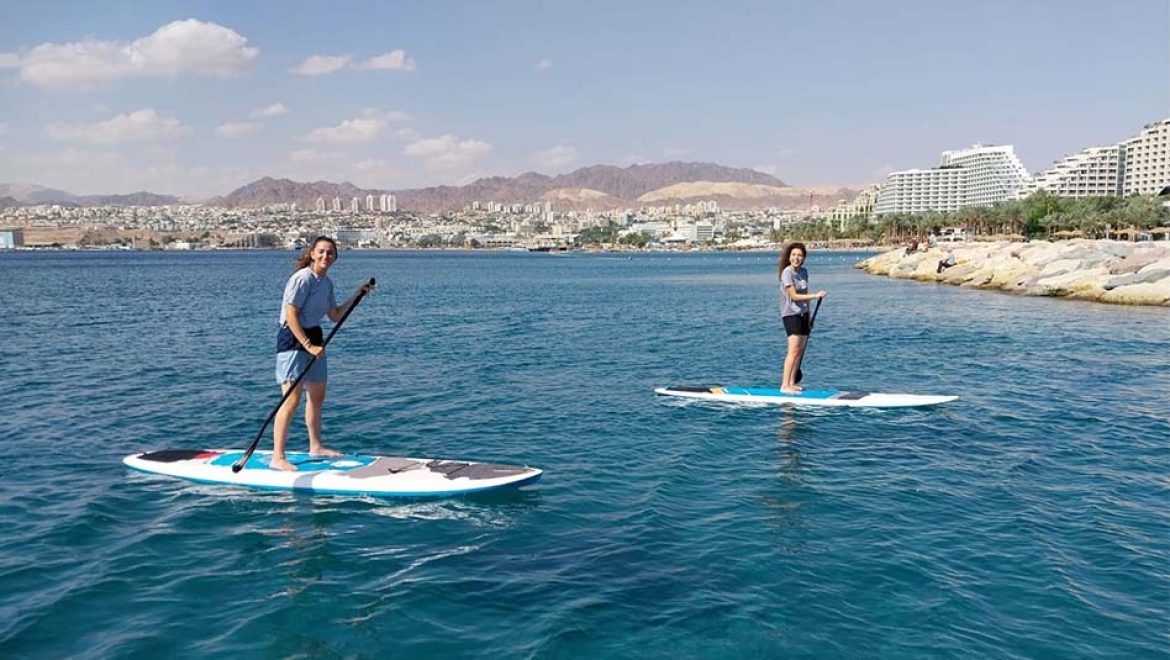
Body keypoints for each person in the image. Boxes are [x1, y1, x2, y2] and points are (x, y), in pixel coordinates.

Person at [272, 236, 373, 471]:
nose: (325, 256)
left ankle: (315, 446)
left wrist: (358, 295)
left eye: (330, 253)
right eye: (321, 252)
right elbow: (291, 314)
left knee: (317, 396)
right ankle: (278, 457)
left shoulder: (326, 283)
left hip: (315, 336)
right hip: (294, 338)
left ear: (335, 257)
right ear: (312, 253)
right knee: (291, 399)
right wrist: (307, 345)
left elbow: (335, 315)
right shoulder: (302, 278)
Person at [778, 242, 826, 394]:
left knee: (799, 351)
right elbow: (794, 296)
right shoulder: (787, 273)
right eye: (793, 255)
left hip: (803, 314)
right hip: (791, 314)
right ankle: (784, 385)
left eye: (799, 255)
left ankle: (792, 383)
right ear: (789, 257)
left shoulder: (804, 272)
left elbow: (805, 295)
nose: (796, 258)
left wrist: (810, 317)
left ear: (803, 258)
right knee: (792, 351)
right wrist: (815, 296)